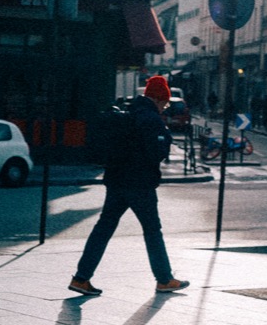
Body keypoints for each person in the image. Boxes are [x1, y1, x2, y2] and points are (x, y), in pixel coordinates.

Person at [69, 75, 190, 296]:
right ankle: (164, 279)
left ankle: (81, 278)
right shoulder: (151, 119)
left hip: (116, 180)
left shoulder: (129, 113)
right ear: (157, 98)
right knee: (153, 231)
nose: (165, 106)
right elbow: (156, 152)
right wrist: (165, 138)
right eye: (164, 102)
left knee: (103, 228)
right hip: (140, 183)